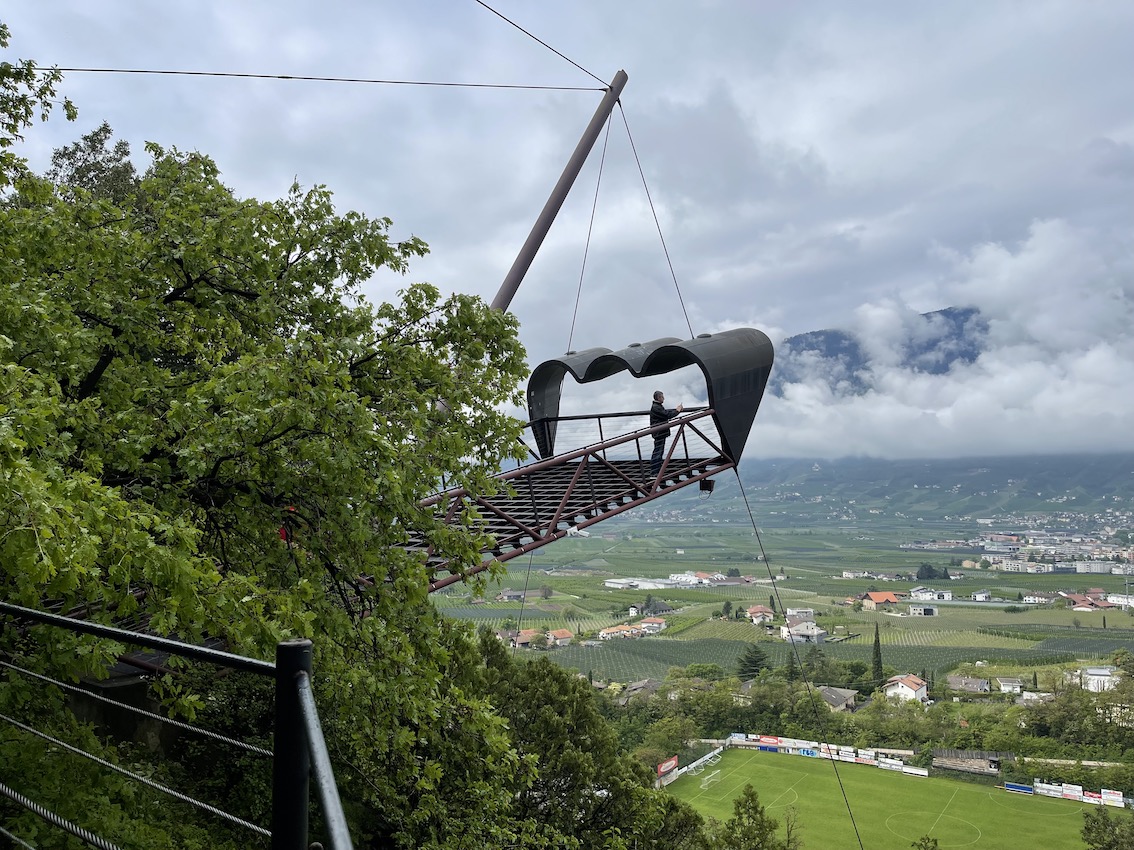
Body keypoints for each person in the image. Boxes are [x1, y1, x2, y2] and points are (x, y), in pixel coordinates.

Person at [649, 390, 682, 477]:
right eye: (662, 397)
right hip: (659, 432)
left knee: (658, 451)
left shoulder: (657, 406)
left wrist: (676, 411)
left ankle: (657, 471)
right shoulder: (657, 407)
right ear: (659, 397)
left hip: (659, 432)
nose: (664, 398)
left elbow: (665, 414)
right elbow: (667, 415)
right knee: (658, 451)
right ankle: (654, 472)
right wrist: (677, 411)